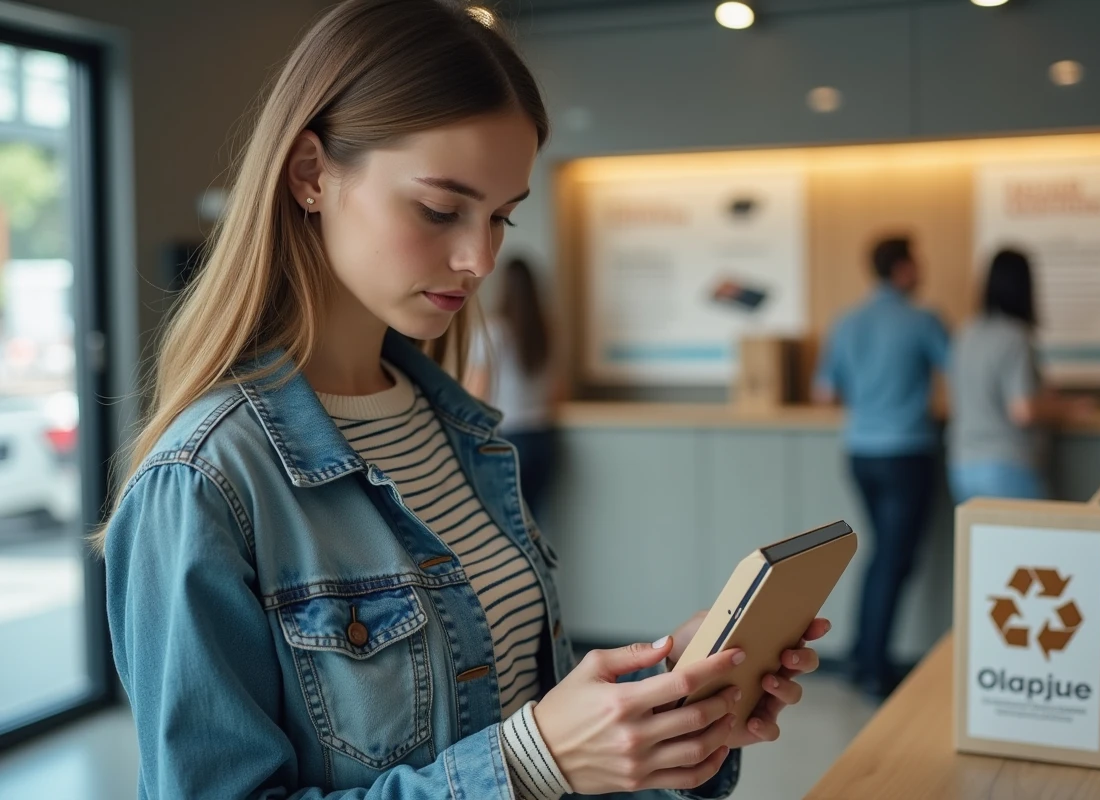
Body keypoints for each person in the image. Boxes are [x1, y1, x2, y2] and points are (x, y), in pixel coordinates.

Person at [98, 3, 830, 798]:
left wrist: (664, 713)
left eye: (502, 217)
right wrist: (526, 763)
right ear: (310, 173)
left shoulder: (459, 434)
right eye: (440, 209)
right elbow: (515, 763)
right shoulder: (205, 483)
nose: (478, 256)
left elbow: (513, 724)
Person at [812, 235, 949, 699]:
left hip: (860, 453)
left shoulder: (847, 321)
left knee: (883, 554)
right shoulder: (922, 320)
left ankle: (860, 656)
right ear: (903, 268)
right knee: (894, 558)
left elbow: (825, 392)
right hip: (906, 452)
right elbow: (961, 373)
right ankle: (873, 667)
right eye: (918, 261)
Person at [948, 249, 1051, 503]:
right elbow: (1023, 411)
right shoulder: (1016, 337)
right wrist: (1066, 409)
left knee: (982, 543)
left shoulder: (967, 332)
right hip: (1007, 463)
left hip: (962, 464)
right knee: (1032, 541)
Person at [466, 257, 557, 520]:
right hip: (543, 437)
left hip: (508, 437)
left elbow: (476, 395)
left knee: (507, 526)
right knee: (534, 526)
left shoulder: (493, 330)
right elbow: (556, 389)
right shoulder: (546, 330)